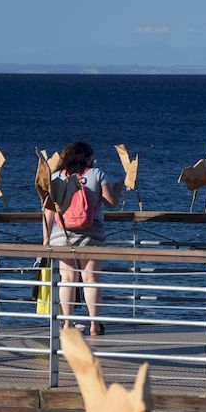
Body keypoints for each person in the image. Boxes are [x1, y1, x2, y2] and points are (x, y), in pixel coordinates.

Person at [42, 141, 122, 335]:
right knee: (91, 279)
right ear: (86, 158)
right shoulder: (97, 175)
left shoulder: (55, 177)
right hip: (92, 233)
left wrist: (46, 239)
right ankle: (95, 325)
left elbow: (48, 211)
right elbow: (112, 203)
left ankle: (68, 324)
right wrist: (118, 187)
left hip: (62, 234)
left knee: (67, 279)